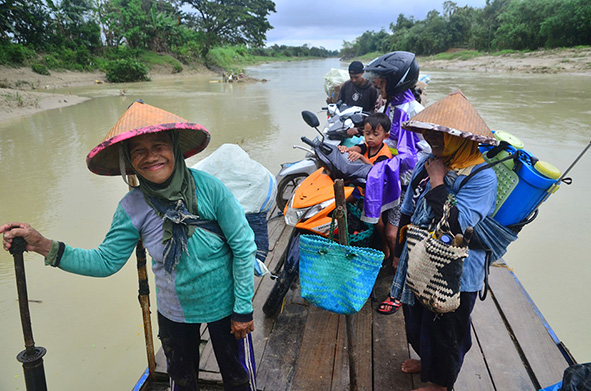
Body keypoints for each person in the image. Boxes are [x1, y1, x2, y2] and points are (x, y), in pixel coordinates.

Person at [1, 101, 257, 391]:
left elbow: (243, 246)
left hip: (226, 305)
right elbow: (105, 262)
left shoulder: (210, 188)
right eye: (139, 151)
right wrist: (42, 245)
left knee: (237, 377)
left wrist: (243, 309)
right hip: (175, 311)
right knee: (182, 382)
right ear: (129, 161)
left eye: (159, 145)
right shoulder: (132, 207)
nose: (151, 157)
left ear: (174, 147)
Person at [389, 90, 498, 391]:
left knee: (447, 330)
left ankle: (441, 382)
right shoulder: (430, 160)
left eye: (441, 135)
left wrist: (438, 181)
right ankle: (428, 361)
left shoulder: (481, 176)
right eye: (430, 133)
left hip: (458, 269)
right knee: (417, 317)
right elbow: (408, 207)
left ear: (462, 138)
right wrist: (399, 251)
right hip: (420, 254)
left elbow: (458, 226)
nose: (432, 139)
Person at [362, 52, 429, 290]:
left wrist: (398, 161)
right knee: (378, 221)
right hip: (389, 176)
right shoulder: (392, 103)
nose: (377, 86)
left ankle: (399, 275)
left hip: (405, 183)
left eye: (381, 82)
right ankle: (389, 255)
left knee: (393, 231)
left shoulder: (412, 109)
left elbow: (426, 150)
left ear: (397, 80)